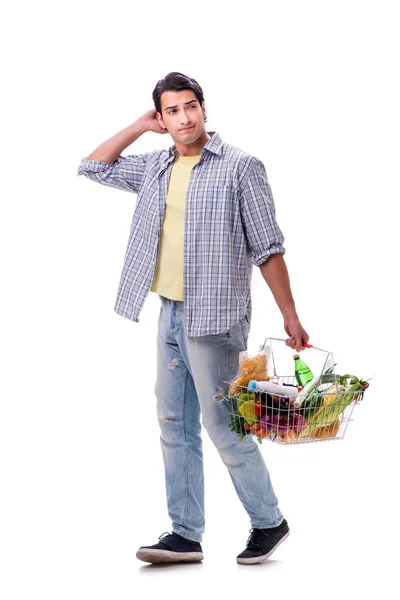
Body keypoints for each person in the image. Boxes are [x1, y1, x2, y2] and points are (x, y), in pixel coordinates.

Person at [77, 72, 309, 565]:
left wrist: (291, 315)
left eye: (190, 107)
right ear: (162, 118)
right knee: (172, 423)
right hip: (169, 313)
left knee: (224, 426)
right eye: (172, 111)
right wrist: (140, 127)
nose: (184, 118)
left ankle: (269, 521)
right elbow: (92, 166)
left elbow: (268, 248)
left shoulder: (241, 167)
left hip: (216, 318)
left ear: (204, 109)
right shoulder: (155, 167)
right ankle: (185, 533)